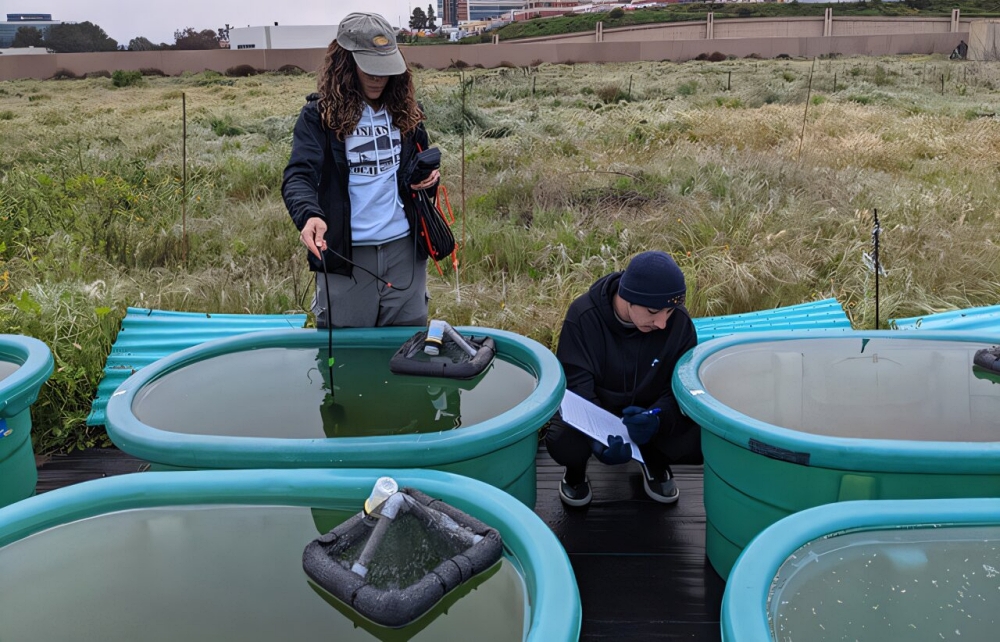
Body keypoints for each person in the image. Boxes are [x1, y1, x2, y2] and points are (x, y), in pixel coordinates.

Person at [282, 12, 440, 328]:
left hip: (405, 253)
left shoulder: (406, 112)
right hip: (346, 256)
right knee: (347, 359)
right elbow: (298, 174)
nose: (379, 78)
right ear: (344, 62)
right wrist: (309, 215)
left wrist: (427, 180)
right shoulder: (319, 117)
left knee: (407, 351)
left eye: (385, 68)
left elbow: (412, 167)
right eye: (369, 67)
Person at [545, 250, 702, 507]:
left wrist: (657, 417)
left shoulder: (679, 324)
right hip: (597, 406)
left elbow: (681, 385)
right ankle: (575, 472)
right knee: (563, 440)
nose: (662, 323)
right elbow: (576, 385)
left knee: (699, 430)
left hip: (647, 409)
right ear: (628, 298)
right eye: (653, 311)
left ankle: (655, 462)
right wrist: (600, 439)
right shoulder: (584, 316)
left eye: (670, 311)